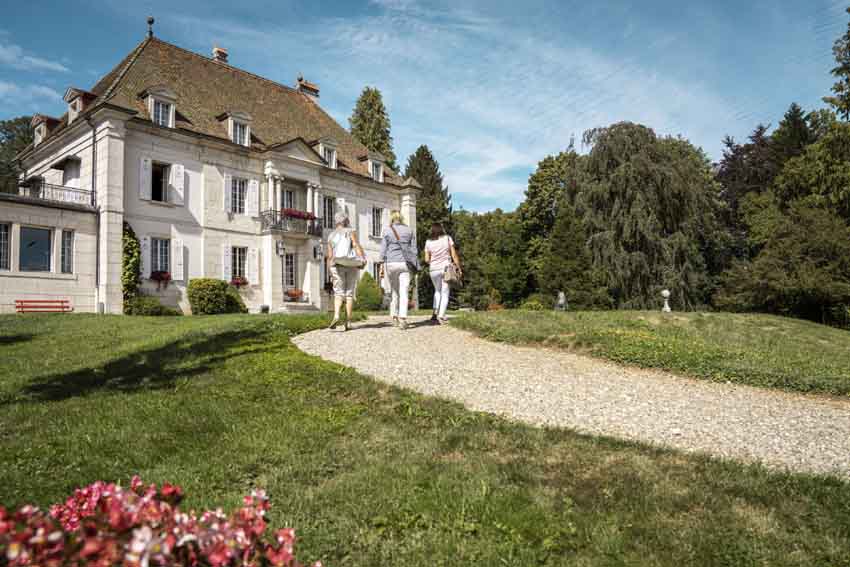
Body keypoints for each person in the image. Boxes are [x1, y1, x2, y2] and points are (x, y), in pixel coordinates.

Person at [326, 211, 365, 330]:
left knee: (338, 292)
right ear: (346, 221)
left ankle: (337, 315)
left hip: (337, 264)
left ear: (336, 221)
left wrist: (330, 272)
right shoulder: (350, 231)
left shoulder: (331, 235)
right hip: (351, 264)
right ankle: (348, 321)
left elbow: (329, 256)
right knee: (349, 293)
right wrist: (362, 259)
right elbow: (355, 245)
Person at [379, 210, 417, 330]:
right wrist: (414, 264)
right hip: (405, 263)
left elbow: (383, 250)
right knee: (404, 291)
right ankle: (403, 319)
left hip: (391, 263)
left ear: (392, 218)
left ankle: (394, 316)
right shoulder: (409, 230)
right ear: (401, 218)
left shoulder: (387, 231)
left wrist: (381, 264)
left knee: (394, 291)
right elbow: (414, 250)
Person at [424, 223, 462, 324]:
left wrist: (434, 258)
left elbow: (427, 259)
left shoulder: (428, 242)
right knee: (445, 292)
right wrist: (458, 267)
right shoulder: (447, 238)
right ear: (442, 229)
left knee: (437, 291)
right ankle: (441, 316)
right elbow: (453, 254)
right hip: (445, 268)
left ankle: (434, 314)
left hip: (433, 269)